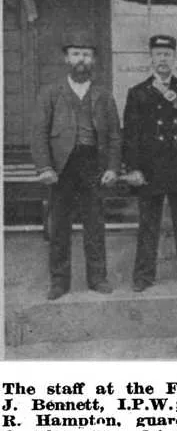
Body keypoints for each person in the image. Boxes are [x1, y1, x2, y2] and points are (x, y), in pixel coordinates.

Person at [30, 30, 122, 300]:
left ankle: (97, 278)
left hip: (93, 163)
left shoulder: (103, 95)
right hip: (61, 167)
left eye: (86, 54)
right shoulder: (50, 93)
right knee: (59, 226)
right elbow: (38, 132)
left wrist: (113, 167)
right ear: (66, 58)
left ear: (93, 59)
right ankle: (59, 282)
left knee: (95, 225)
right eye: (76, 54)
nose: (81, 59)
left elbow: (115, 135)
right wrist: (44, 167)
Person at [123, 35, 177, 292]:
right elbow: (131, 135)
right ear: (150, 58)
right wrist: (133, 168)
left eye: (167, 54)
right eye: (158, 54)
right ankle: (143, 276)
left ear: (175, 58)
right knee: (148, 225)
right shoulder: (138, 93)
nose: (163, 59)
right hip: (151, 169)